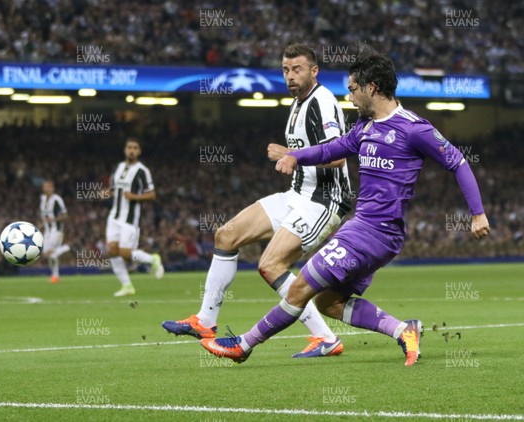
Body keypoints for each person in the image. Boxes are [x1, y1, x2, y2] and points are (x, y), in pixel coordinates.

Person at [200, 44, 491, 366]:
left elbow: (458, 162)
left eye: (353, 90)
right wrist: (295, 156)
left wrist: (477, 213)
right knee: (328, 302)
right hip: (374, 233)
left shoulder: (412, 128)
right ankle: (403, 330)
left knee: (299, 288)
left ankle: (243, 345)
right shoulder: (364, 127)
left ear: (372, 88)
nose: (350, 97)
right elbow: (331, 150)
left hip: (371, 232)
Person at [162, 43, 353, 358]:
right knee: (227, 235)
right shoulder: (297, 104)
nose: (290, 76)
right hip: (297, 194)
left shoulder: (323, 102)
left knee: (270, 265)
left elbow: (338, 157)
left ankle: (326, 338)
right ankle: (205, 321)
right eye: (286, 70)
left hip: (325, 200)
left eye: (298, 69)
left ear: (314, 71)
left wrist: (290, 155)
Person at [107, 137, 164, 297]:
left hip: (130, 219)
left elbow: (152, 194)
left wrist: (134, 196)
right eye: (129, 147)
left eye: (135, 148)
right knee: (112, 250)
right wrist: (107, 193)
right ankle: (127, 286)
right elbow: (113, 189)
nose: (131, 150)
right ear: (125, 150)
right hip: (114, 217)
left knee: (125, 253)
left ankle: (152, 259)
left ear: (139, 151)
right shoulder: (118, 167)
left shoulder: (142, 171)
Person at [40, 179, 70, 283]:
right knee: (48, 255)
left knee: (49, 253)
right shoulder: (43, 199)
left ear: (53, 188)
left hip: (56, 230)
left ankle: (66, 248)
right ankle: (55, 276)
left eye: (49, 187)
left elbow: (65, 216)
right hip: (47, 231)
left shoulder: (57, 199)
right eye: (45, 186)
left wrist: (53, 219)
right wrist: (42, 224)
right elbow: (44, 216)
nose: (47, 188)